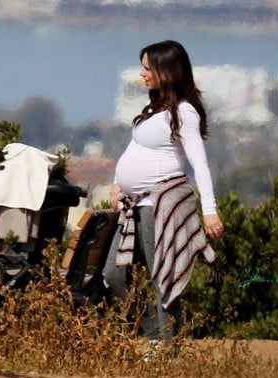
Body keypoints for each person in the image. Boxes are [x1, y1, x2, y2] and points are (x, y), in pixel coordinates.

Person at [103, 40, 223, 347]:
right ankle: (155, 335)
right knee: (114, 276)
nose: (141, 74)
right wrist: (118, 182)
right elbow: (138, 149)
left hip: (159, 205)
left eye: (147, 67)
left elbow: (199, 162)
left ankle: (167, 350)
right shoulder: (157, 110)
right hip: (135, 206)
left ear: (166, 71)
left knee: (163, 279)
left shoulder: (184, 112)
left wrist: (209, 210)